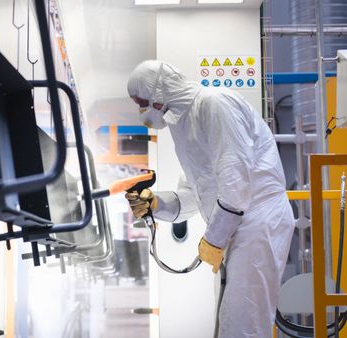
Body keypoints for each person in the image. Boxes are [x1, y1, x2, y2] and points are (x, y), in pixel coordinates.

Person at [125, 60, 294, 337]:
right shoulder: (183, 125)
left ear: (158, 91)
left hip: (257, 221)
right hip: (236, 227)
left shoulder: (214, 104)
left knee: (244, 324)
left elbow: (236, 188)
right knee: (231, 320)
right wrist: (157, 203)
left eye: (141, 101)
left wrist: (213, 240)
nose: (141, 111)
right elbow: (195, 195)